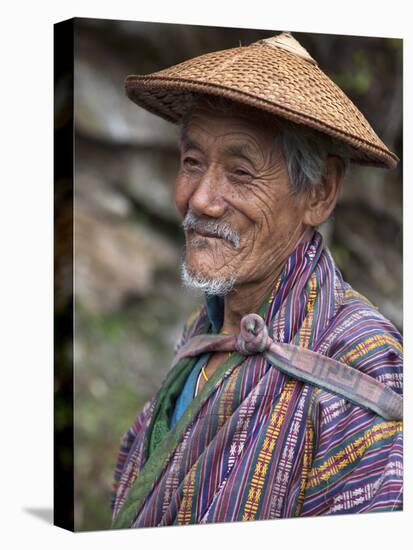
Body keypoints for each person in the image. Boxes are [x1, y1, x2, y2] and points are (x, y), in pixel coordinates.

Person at [110, 32, 403, 528]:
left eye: (241, 172)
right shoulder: (204, 334)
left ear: (320, 192)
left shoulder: (362, 364)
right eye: (192, 162)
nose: (201, 199)